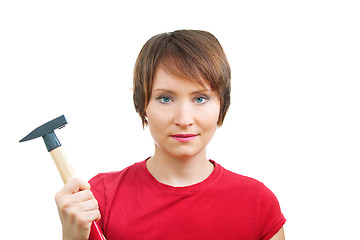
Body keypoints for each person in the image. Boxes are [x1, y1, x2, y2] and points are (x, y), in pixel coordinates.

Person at [55, 30, 286, 240]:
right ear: (142, 105)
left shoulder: (258, 205)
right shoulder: (97, 200)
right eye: (165, 98)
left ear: (222, 104)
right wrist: (72, 237)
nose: (184, 119)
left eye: (200, 98)